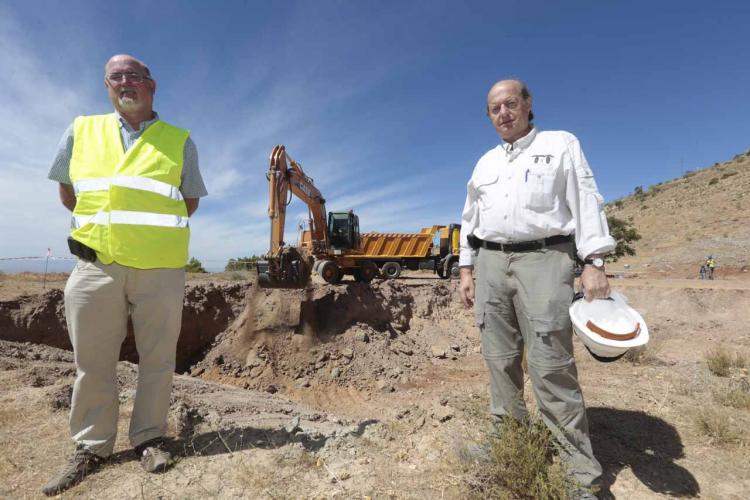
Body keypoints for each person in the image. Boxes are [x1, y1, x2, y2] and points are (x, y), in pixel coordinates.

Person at [43, 54, 207, 495]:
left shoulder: (180, 140)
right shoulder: (82, 130)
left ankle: (149, 438)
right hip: (98, 265)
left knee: (157, 360)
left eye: (133, 75)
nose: (124, 82)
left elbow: (189, 201)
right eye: (115, 77)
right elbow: (68, 192)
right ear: (107, 87)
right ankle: (92, 446)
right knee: (92, 363)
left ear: (151, 86)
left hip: (160, 270)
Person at [458, 79, 615, 498]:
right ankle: (506, 442)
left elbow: (584, 198)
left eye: (511, 103)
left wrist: (594, 261)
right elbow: (469, 220)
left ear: (528, 105)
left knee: (550, 364)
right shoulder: (484, 163)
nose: (503, 113)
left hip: (546, 259)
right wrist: (467, 270)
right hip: (490, 262)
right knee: (499, 358)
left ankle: (577, 471)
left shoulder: (560, 144)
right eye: (494, 108)